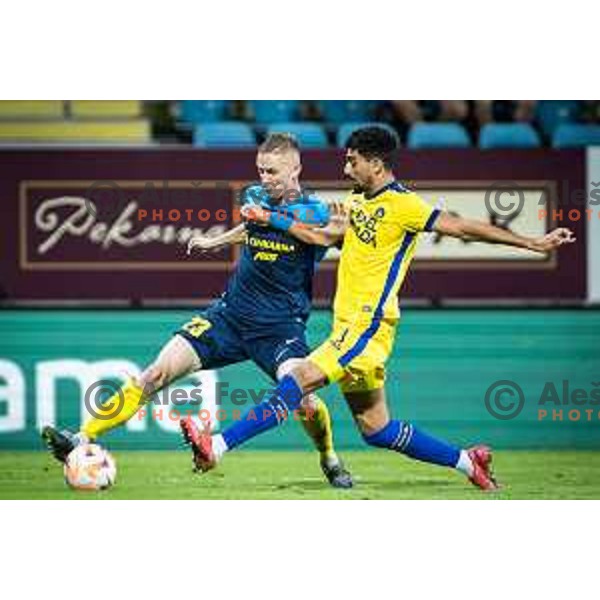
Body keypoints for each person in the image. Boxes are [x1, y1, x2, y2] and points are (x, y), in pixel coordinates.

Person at [181, 126, 576, 491]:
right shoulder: (354, 202)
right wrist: (271, 221)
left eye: (352, 160)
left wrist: (531, 243)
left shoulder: (405, 206)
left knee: (296, 384)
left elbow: (462, 226)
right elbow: (321, 235)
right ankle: (468, 462)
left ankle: (216, 446)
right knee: (376, 429)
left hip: (367, 324)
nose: (346, 165)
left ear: (376, 162)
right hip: (350, 329)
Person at [42, 132, 353, 489]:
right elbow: (252, 227)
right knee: (155, 375)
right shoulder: (255, 197)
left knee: (305, 401)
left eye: (272, 172)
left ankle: (328, 456)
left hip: (279, 328)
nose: (264, 178)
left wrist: (272, 218)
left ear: (296, 168)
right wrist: (215, 240)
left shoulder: (314, 212)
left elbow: (321, 237)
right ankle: (81, 437)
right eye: (260, 170)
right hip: (228, 316)